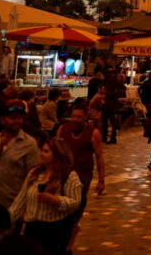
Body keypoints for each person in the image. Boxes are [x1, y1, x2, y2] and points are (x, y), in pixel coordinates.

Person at [8, 137, 83, 255]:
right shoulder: (34, 174)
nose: (41, 154)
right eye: (42, 150)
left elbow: (76, 202)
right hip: (32, 229)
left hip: (54, 232)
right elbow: (20, 201)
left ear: (57, 155)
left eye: (46, 151)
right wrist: (6, 220)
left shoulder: (69, 176)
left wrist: (56, 200)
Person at [56, 102, 105, 252]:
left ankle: (68, 245)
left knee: (76, 210)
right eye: (73, 116)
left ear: (86, 117)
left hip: (82, 176)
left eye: (79, 117)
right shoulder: (62, 129)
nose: (75, 119)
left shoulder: (93, 133)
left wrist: (101, 180)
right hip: (62, 174)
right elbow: (56, 150)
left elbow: (99, 157)